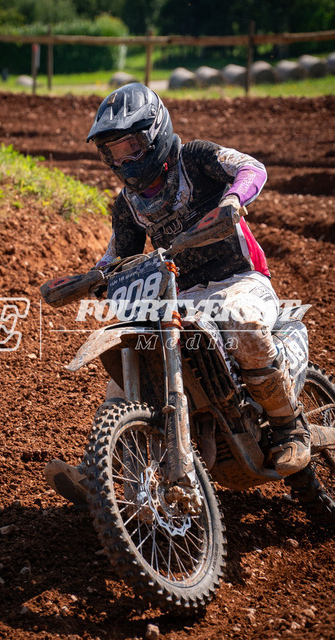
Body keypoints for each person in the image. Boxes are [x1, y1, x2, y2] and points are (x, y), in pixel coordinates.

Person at [45, 83, 310, 508]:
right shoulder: (128, 204)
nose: (124, 160)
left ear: (155, 134)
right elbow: (118, 255)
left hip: (239, 280)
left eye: (131, 146)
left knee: (243, 324)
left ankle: (288, 426)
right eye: (114, 152)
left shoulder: (196, 159)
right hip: (181, 295)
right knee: (132, 361)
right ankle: (105, 471)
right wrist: (91, 277)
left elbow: (251, 168)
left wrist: (232, 200)